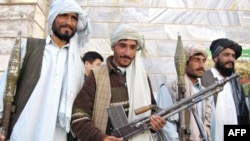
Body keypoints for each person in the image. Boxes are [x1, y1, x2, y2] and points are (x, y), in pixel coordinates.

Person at [0, 0, 90, 141]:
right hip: (23, 131)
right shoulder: (31, 47)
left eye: (74, 18)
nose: (69, 22)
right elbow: (6, 85)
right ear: (53, 17)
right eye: (64, 15)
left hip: (57, 135)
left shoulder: (76, 63)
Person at [71, 24, 166, 141]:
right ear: (113, 46)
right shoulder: (97, 75)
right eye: (122, 46)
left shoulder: (143, 78)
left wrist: (155, 124)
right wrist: (100, 138)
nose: (127, 52)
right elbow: (78, 115)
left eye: (132, 47)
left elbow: (151, 113)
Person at [201, 38, 249, 141]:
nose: (231, 59)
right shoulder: (204, 79)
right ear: (215, 58)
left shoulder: (235, 82)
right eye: (226, 55)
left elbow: (243, 116)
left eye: (233, 56)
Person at [169, 43, 212, 141]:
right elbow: (167, 127)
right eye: (196, 60)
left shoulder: (205, 92)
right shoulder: (170, 88)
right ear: (185, 62)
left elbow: (209, 125)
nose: (201, 65)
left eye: (203, 61)